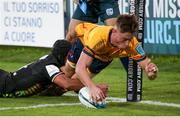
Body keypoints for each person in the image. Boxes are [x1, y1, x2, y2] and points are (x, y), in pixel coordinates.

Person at [61, 14, 158, 102]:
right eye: (124, 39)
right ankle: (50, 79)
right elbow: (79, 68)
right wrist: (92, 87)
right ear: (115, 30)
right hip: (83, 45)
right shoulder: (98, 37)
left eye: (129, 39)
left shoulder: (132, 43)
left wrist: (150, 71)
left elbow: (145, 64)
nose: (127, 43)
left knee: (75, 83)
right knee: (67, 74)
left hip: (103, 59)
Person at [0, 40, 84, 97]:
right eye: (70, 55)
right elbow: (67, 84)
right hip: (3, 84)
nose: (72, 57)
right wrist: (91, 86)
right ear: (62, 56)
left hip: (5, 79)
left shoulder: (49, 60)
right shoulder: (50, 67)